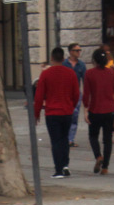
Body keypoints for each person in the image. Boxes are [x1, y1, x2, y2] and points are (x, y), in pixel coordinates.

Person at [34, 47, 81, 179]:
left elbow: (39, 96)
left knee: (55, 141)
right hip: (66, 112)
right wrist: (71, 106)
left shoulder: (46, 74)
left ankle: (58, 169)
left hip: (52, 112)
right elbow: (76, 94)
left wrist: (36, 113)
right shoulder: (70, 73)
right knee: (64, 139)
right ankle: (65, 165)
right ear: (63, 58)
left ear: (51, 58)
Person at [83, 49, 114, 175]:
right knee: (107, 139)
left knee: (93, 136)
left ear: (94, 60)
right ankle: (105, 167)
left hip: (95, 109)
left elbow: (86, 93)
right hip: (109, 110)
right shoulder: (112, 73)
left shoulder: (89, 73)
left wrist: (85, 109)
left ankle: (98, 156)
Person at [63, 43, 85, 148]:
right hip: (64, 94)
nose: (79, 52)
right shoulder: (64, 64)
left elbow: (85, 80)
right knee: (65, 115)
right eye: (77, 50)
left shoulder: (81, 65)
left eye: (80, 50)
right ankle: (64, 138)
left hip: (76, 94)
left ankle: (70, 139)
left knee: (74, 116)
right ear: (71, 51)